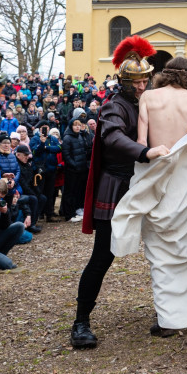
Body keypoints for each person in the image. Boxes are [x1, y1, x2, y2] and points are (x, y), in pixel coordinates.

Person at [113, 57, 187, 336]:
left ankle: (168, 319)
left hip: (159, 176)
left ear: (163, 75)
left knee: (161, 251)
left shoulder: (149, 97)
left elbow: (142, 144)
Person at [70, 36, 170, 349]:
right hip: (117, 185)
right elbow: (112, 138)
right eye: (135, 82)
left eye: (145, 81)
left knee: (166, 250)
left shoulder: (152, 101)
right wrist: (145, 152)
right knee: (102, 257)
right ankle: (81, 322)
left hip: (149, 184)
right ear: (122, 82)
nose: (141, 87)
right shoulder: (114, 107)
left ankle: (172, 312)